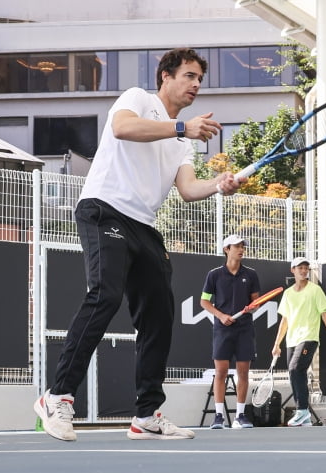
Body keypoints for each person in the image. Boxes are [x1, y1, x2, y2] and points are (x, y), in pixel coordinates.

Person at [34, 48, 240, 441]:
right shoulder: (138, 99)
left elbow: (188, 190)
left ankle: (147, 414)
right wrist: (182, 128)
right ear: (166, 75)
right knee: (105, 296)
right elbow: (123, 129)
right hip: (104, 209)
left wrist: (220, 185)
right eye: (189, 76)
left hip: (143, 225)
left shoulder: (183, 143)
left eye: (200, 79)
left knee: (159, 315)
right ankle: (57, 397)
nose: (196, 85)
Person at [200, 234, 262, 429]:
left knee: (243, 373)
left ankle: (240, 416)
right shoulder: (214, 275)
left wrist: (252, 308)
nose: (241, 249)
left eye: (243, 246)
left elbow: (256, 301)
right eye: (237, 246)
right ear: (226, 249)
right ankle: (219, 417)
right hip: (222, 329)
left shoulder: (251, 274)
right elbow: (204, 301)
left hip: (244, 328)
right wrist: (220, 316)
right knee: (221, 372)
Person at [271, 257, 326, 426]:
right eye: (300, 268)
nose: (304, 271)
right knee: (294, 374)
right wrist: (277, 344)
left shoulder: (315, 290)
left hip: (309, 338)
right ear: (293, 270)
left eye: (306, 268)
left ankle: (302, 411)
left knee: (296, 369)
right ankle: (304, 415)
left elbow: (325, 314)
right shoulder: (288, 294)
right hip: (291, 340)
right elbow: (285, 320)